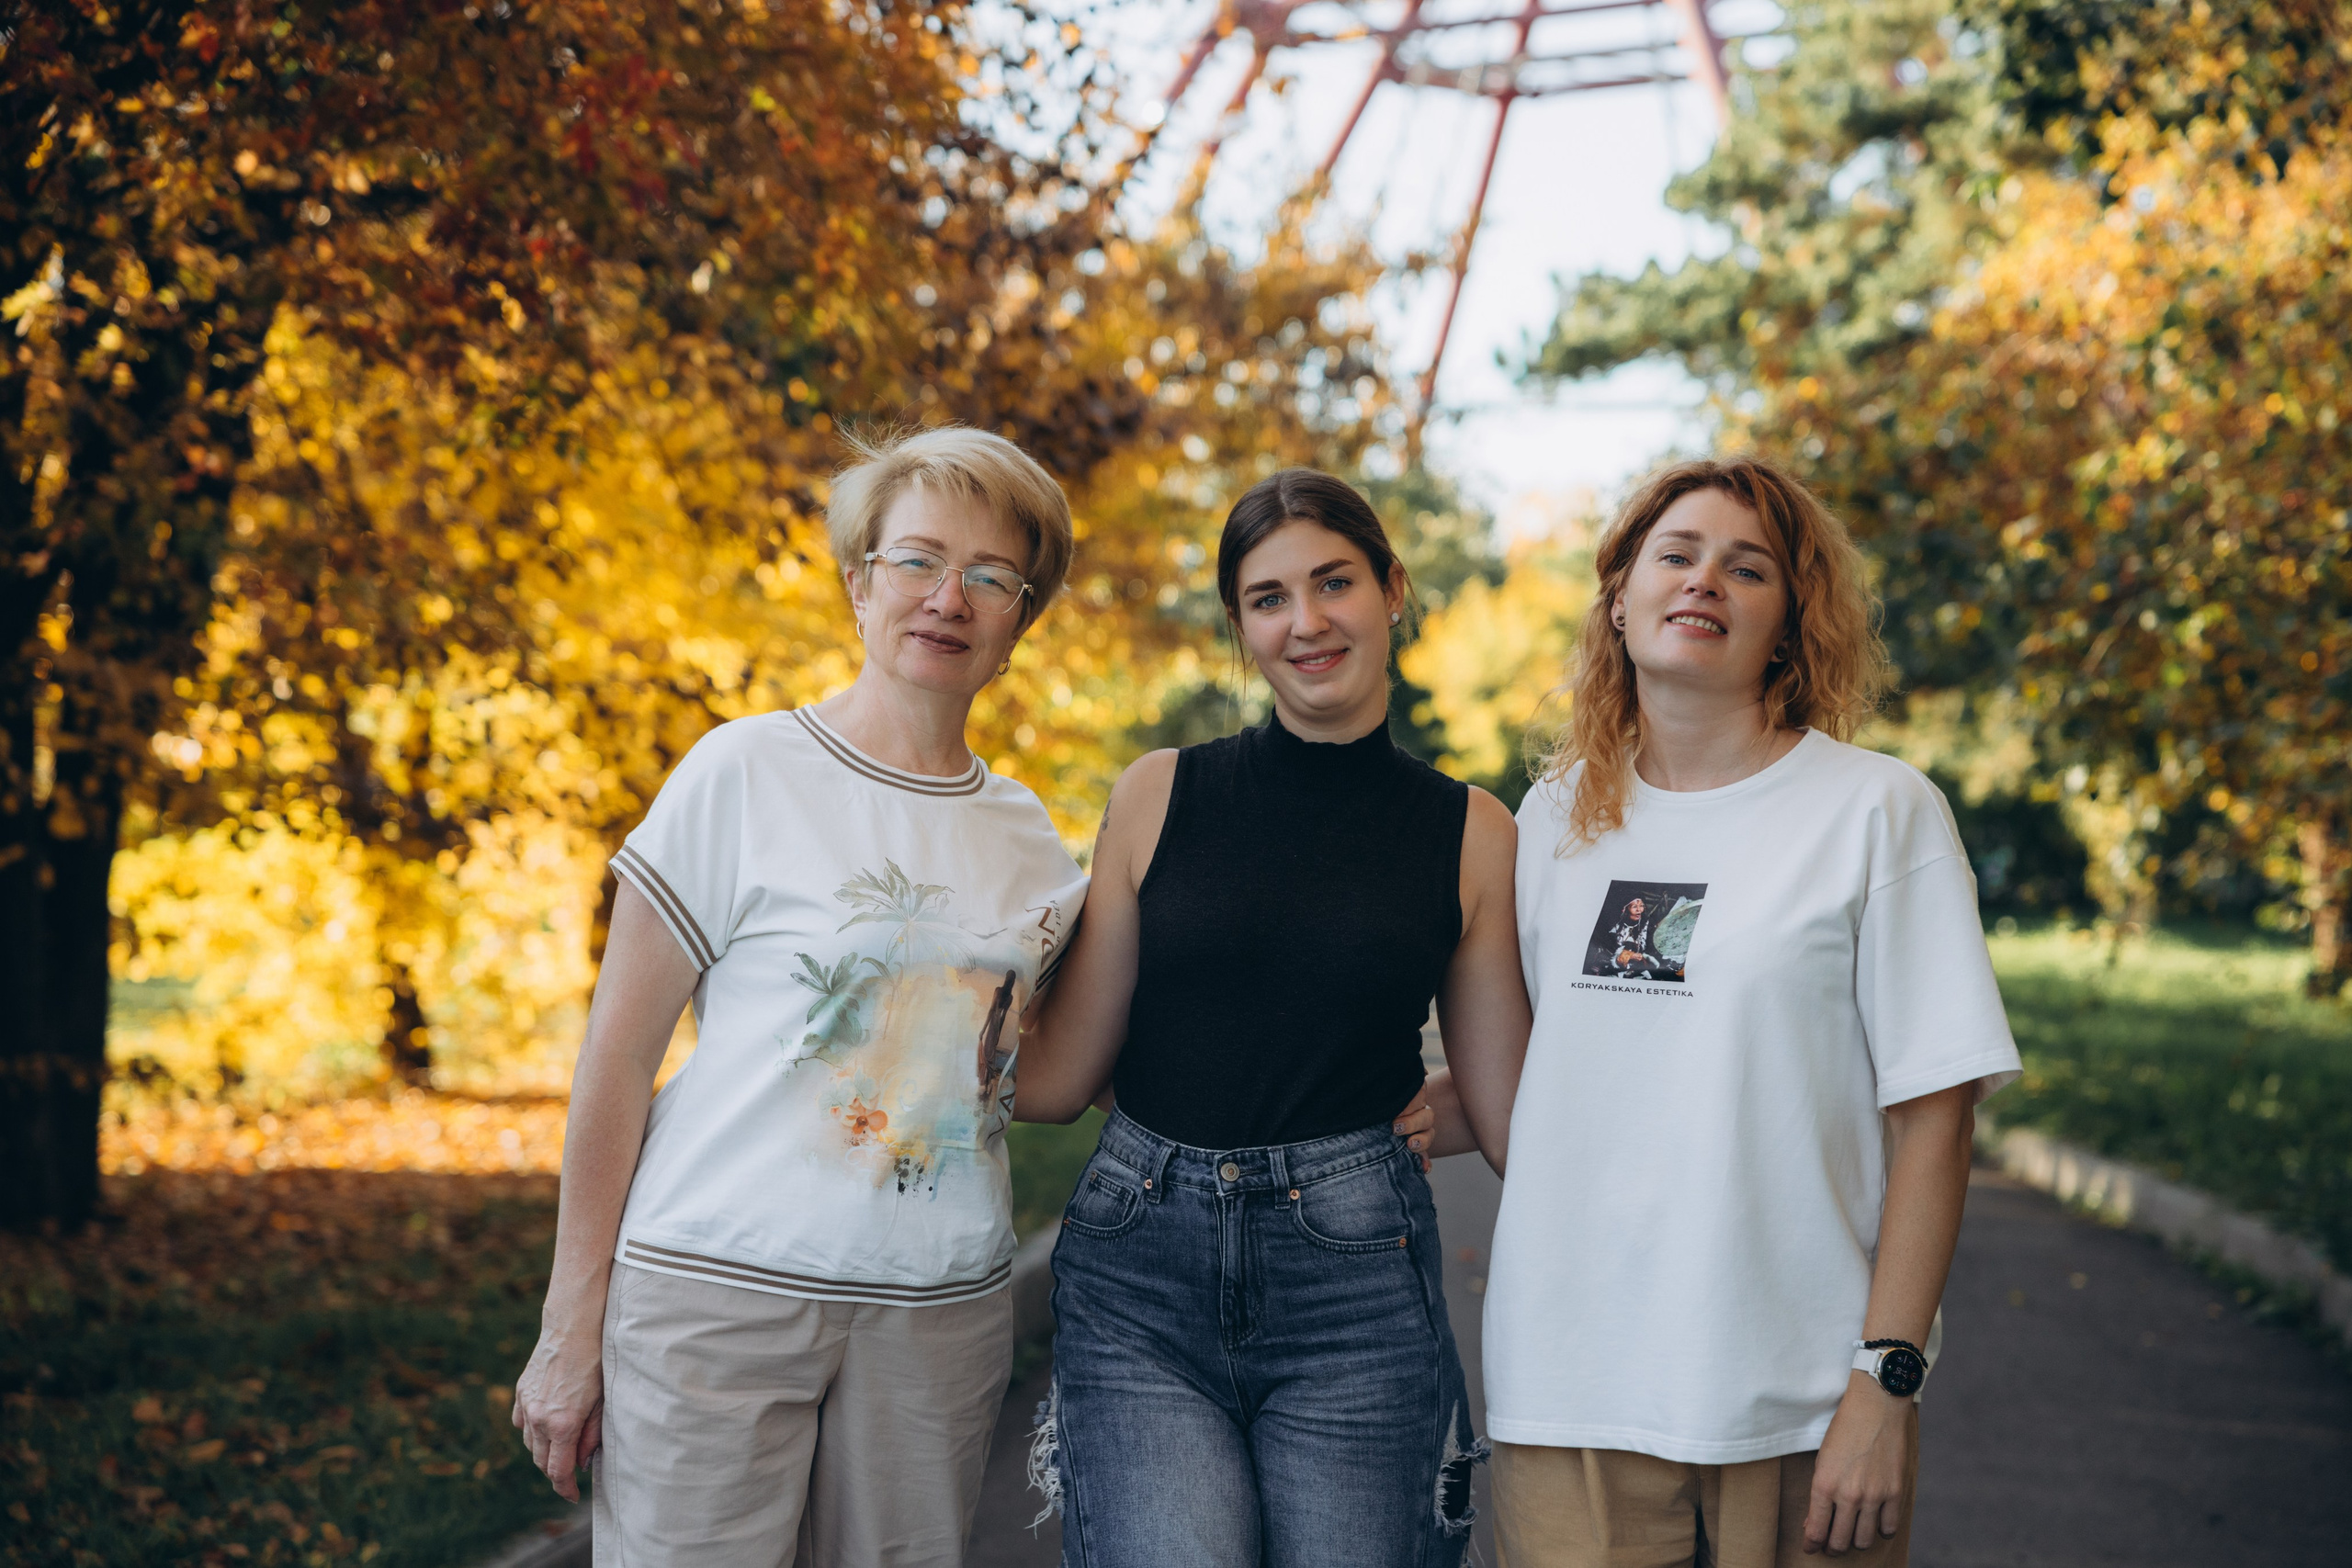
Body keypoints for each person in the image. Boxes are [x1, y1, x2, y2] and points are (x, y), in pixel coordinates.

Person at [510, 425, 1093, 1566]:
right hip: (713, 1297)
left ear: (1021, 620)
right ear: (858, 580)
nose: (948, 598)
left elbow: (1024, 1081)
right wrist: (566, 1330)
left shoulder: (1031, 840)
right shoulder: (743, 770)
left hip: (936, 1320)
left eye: (990, 577)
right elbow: (617, 1061)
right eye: (918, 560)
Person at [1425, 456, 2020, 1567]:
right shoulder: (1553, 818)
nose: (1705, 581)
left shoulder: (1877, 813)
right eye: (1677, 555)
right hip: (1571, 1389)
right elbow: (1561, 1070)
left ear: (1788, 625)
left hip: (1801, 1397)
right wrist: (1393, 1109)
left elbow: (1933, 1117)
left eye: (1745, 569)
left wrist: (1885, 1384)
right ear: (1619, 595)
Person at [1013, 468, 1532, 1568]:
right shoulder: (1158, 793)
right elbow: (1060, 1081)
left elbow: (1510, 1110)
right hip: (1136, 1271)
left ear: (1392, 589)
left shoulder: (1473, 833)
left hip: (1352, 1282)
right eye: (1267, 598)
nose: (1306, 623)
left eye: (1333, 582)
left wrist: (1437, 1104)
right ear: (1241, 626)